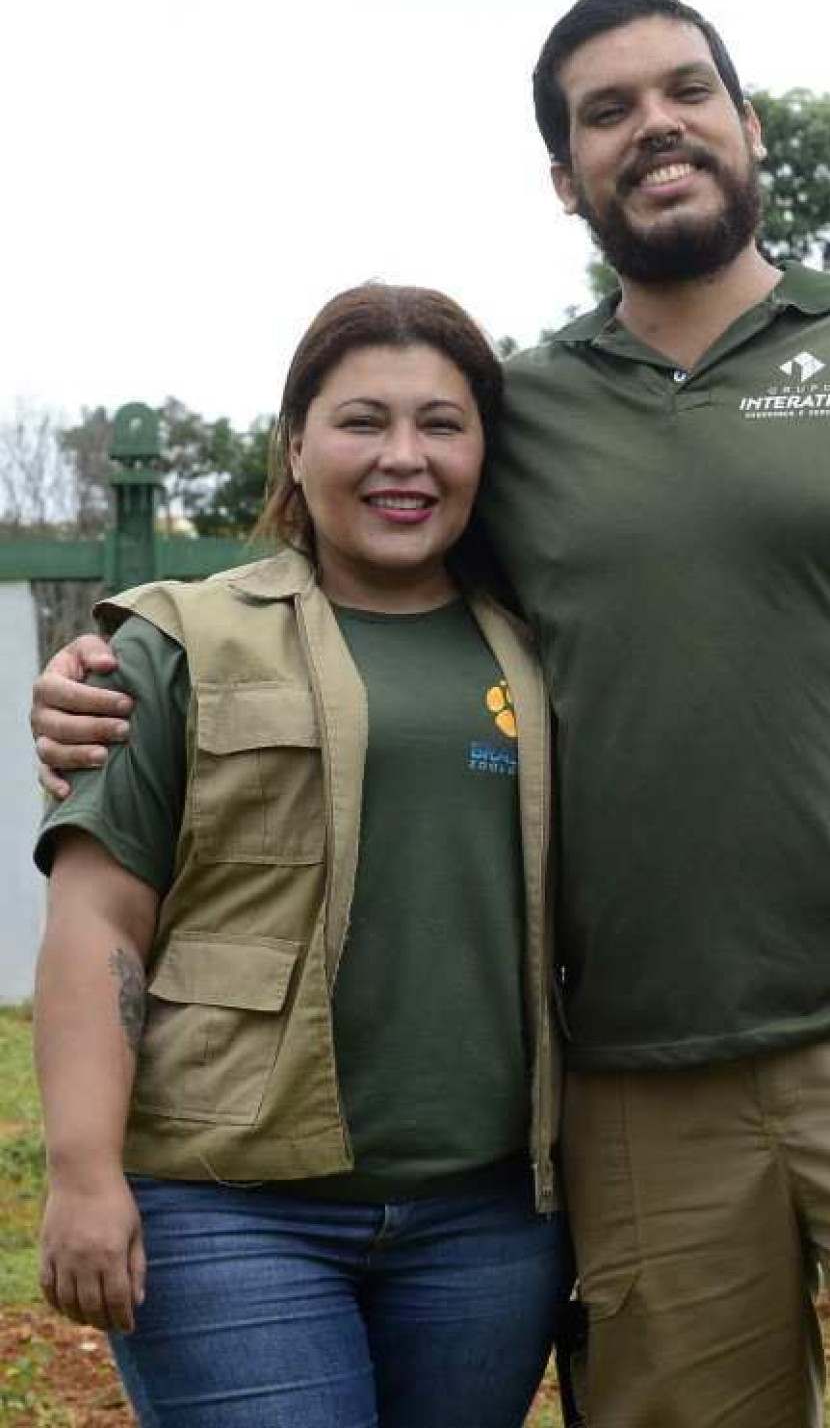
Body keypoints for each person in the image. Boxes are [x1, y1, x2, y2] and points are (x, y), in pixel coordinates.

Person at [37, 0, 830, 1428]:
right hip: (623, 1074)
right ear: (565, 175)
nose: (652, 126)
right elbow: (360, 591)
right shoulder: (519, 413)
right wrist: (103, 678)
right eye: (604, 112)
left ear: (748, 128)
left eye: (684, 92)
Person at [32, 285, 569, 1428]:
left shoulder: (550, 650)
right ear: (295, 441)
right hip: (228, 1209)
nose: (403, 458)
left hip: (486, 1222)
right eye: (362, 420)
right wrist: (83, 1170)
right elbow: (97, 920)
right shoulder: (177, 640)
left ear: (485, 449)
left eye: (442, 422)